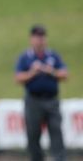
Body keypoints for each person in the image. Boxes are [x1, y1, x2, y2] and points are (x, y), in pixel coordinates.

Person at [15, 24, 68, 161]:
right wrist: (32, 72)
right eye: (37, 37)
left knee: (56, 132)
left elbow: (64, 74)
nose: (40, 40)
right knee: (33, 134)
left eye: (42, 37)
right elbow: (18, 78)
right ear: (31, 39)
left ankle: (59, 158)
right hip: (33, 100)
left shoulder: (53, 56)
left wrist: (51, 71)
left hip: (51, 100)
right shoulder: (26, 57)